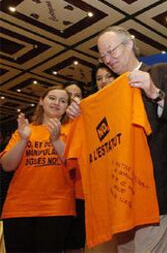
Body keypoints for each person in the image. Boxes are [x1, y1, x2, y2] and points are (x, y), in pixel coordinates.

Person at [96, 26, 167, 252]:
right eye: (103, 56)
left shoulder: (162, 72)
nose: (108, 60)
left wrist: (155, 93)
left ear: (129, 44)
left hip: (159, 188)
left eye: (111, 51)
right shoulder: (110, 93)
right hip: (124, 192)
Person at [0, 85, 75, 252]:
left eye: (63, 101)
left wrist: (55, 141)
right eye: (52, 98)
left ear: (67, 107)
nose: (57, 103)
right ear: (41, 101)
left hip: (57, 208)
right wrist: (23, 140)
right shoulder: (25, 130)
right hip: (18, 208)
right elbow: (7, 165)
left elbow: (74, 164)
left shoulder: (72, 130)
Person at [64, 81, 86, 253]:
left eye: (77, 95)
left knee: (75, 243)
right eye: (68, 96)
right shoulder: (51, 123)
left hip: (80, 192)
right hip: (55, 194)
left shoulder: (88, 122)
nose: (73, 99)